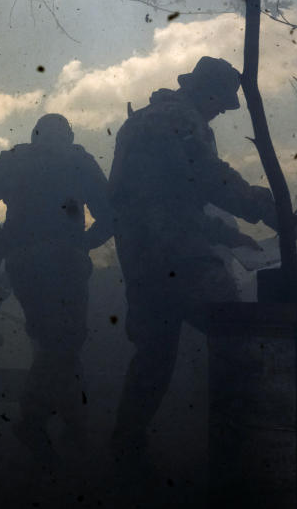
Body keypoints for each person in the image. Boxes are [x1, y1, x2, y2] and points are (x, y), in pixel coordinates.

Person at [108, 56, 279, 464]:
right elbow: (204, 175)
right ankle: (246, 451)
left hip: (141, 258)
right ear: (209, 93)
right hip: (180, 258)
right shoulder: (180, 120)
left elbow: (166, 198)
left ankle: (125, 451)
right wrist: (260, 204)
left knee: (154, 357)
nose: (220, 112)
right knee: (237, 340)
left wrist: (227, 234)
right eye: (221, 103)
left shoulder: (142, 122)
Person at [0, 113, 113, 462]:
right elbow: (109, 213)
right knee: (64, 341)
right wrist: (84, 243)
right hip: (64, 259)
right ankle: (36, 419)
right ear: (69, 134)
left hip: (26, 261)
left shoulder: (14, 159)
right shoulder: (79, 160)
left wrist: (1, 238)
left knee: (55, 340)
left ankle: (72, 423)